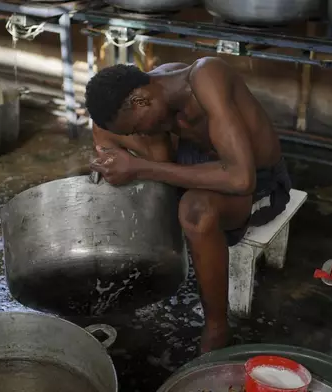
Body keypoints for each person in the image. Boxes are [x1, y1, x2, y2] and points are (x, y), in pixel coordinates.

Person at [85, 57, 291, 353]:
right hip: (198, 163)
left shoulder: (206, 77)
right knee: (104, 127)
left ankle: (218, 328)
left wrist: (140, 168)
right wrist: (109, 157)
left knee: (195, 211)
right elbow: (115, 127)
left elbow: (240, 178)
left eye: (136, 128)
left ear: (141, 100)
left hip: (257, 180)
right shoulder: (154, 93)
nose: (136, 135)